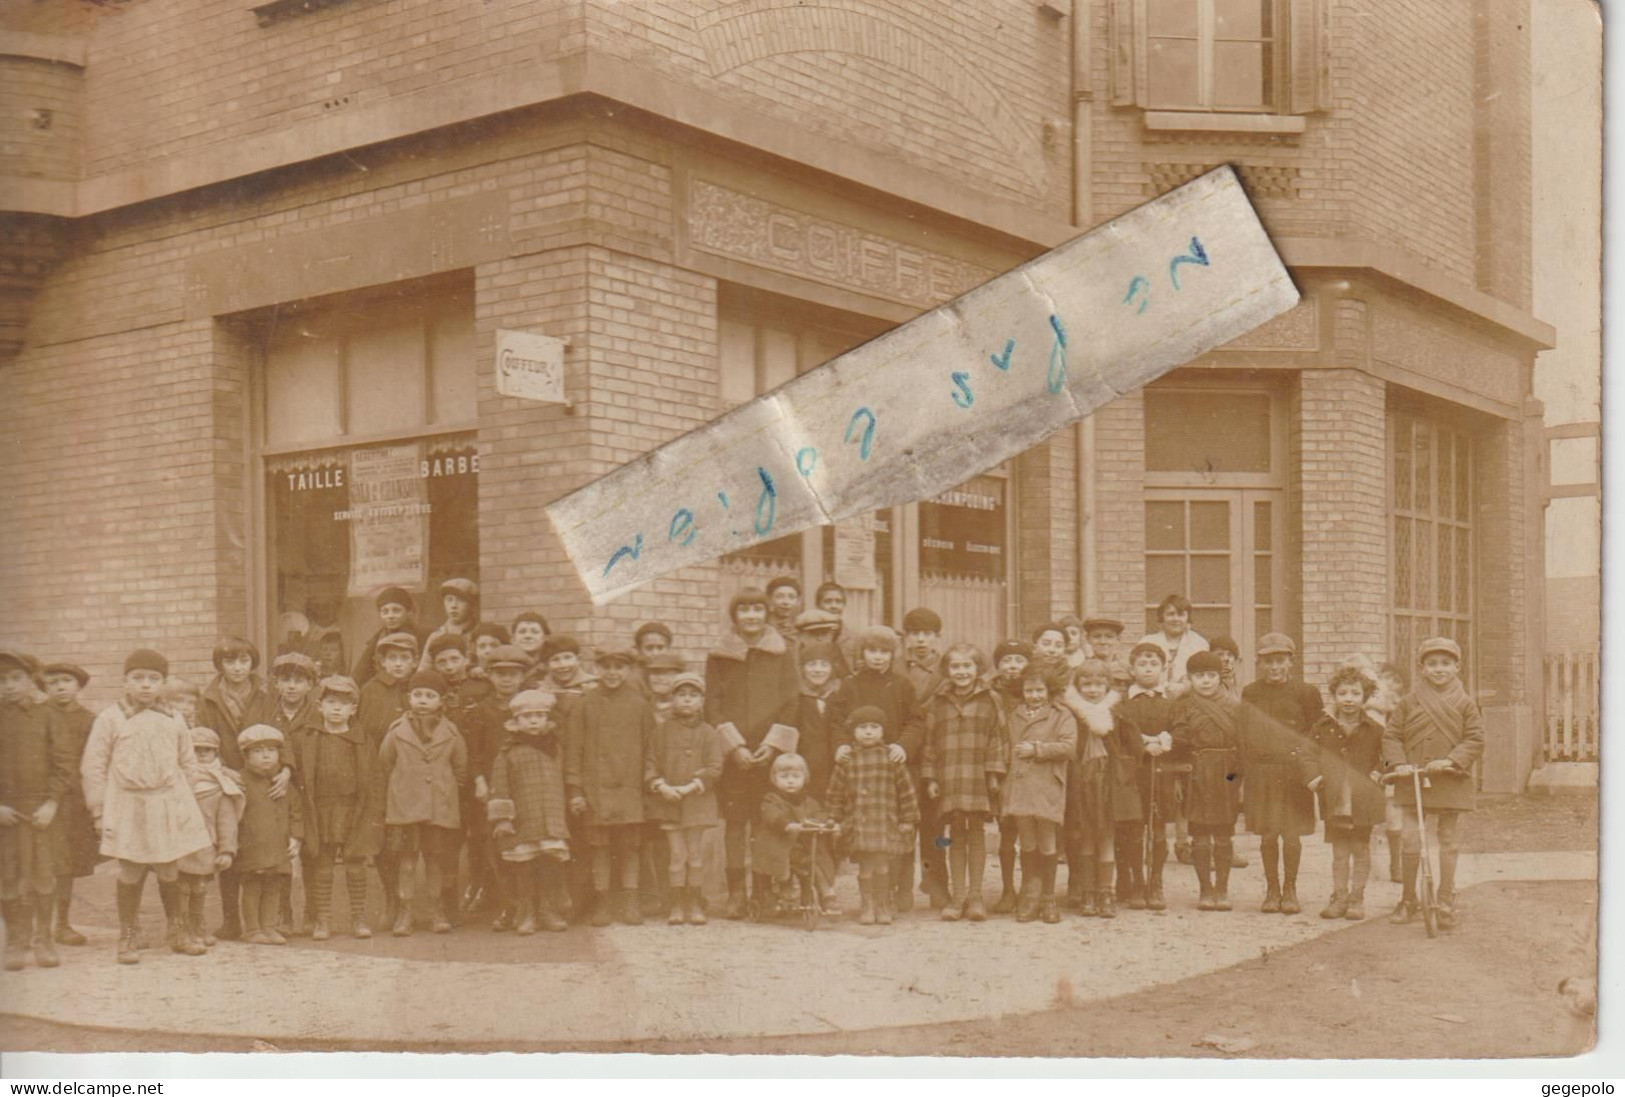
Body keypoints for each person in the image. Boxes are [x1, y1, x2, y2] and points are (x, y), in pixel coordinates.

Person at [81, 650, 212, 965]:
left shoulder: (173, 717)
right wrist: (98, 810)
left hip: (166, 802)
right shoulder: (111, 718)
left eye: (153, 679)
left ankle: (177, 931)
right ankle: (128, 933)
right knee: (131, 867)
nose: (145, 685)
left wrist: (186, 799)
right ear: (125, 682)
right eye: (138, 678)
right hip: (128, 803)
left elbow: (187, 761)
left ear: (163, 684)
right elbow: (93, 766)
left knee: (169, 867)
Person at [705, 588, 800, 920]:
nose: (751, 616)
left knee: (764, 823)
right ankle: (735, 895)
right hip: (735, 755)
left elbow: (791, 699)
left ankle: (762, 892)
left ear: (767, 613)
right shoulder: (719, 655)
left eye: (757, 609)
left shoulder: (783, 652)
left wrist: (772, 746)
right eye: (743, 609)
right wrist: (734, 746)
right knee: (735, 823)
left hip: (767, 754)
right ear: (734, 615)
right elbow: (712, 704)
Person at [1382, 637, 1485, 930]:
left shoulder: (1465, 703)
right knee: (1411, 839)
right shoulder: (1408, 702)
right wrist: (1398, 763)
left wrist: (1452, 760)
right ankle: (1408, 899)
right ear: (1422, 669)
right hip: (1413, 776)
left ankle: (1446, 899)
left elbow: (1475, 738)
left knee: (1449, 839)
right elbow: (1391, 736)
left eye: (1445, 663)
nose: (1439, 669)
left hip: (1450, 777)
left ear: (1457, 667)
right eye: (1432, 664)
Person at [565, 645, 655, 927]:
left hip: (630, 788)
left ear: (628, 670)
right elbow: (574, 750)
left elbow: (651, 747)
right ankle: (602, 902)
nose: (612, 673)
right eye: (606, 667)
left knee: (630, 848)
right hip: (596, 789)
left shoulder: (639, 704)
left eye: (619, 667)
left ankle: (630, 900)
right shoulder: (585, 703)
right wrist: (576, 789)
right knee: (599, 848)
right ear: (596, 669)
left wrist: (648, 784)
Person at [836, 625, 923, 913]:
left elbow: (916, 721)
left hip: (891, 766)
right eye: (872, 651)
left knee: (897, 832)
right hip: (861, 768)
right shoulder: (849, 685)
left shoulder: (902, 684)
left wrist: (903, 746)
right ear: (862, 653)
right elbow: (836, 720)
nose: (878, 657)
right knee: (868, 841)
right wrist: (841, 745)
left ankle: (899, 892)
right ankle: (870, 901)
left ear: (892, 655)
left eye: (884, 652)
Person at [292, 676, 383, 940]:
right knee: (323, 864)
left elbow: (375, 780)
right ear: (319, 706)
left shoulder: (362, 740)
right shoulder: (308, 738)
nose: (336, 709)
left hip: (354, 810)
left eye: (343, 704)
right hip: (320, 810)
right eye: (330, 702)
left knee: (355, 864)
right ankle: (322, 919)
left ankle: (358, 917)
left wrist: (374, 814)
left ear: (353, 709)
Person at [378, 669, 467, 936]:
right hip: (406, 809)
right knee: (406, 861)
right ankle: (405, 911)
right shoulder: (396, 732)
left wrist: (445, 791)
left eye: (430, 696)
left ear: (441, 700)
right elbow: (385, 763)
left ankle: (436, 910)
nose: (423, 700)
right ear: (409, 698)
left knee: (434, 860)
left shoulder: (451, 732)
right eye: (417, 695)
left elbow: (460, 768)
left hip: (438, 808)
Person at [920, 644, 1005, 923]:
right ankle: (957, 897)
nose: (961, 672)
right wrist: (931, 777)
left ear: (978, 669)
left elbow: (997, 737)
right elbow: (929, 742)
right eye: (955, 667)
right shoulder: (938, 701)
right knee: (954, 836)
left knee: (976, 834)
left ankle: (976, 896)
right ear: (947, 670)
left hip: (978, 776)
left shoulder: (990, 699)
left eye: (967, 666)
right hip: (950, 776)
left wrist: (993, 774)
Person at [1238, 633, 1322, 915]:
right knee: (1268, 834)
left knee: (1292, 834)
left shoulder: (1306, 693)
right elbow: (1245, 731)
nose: (1274, 667)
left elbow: (1317, 732)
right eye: (1268, 662)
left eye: (1280, 661)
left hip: (1294, 771)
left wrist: (1307, 764)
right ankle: (1272, 889)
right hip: (1262, 771)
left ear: (1290, 662)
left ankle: (1290, 889)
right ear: (1259, 663)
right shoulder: (1250, 693)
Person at [0, 651, 73, 971]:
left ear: (32, 680)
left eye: (16, 679)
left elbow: (64, 764)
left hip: (42, 811)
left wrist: (52, 803)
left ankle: (44, 938)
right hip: (5, 813)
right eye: (2, 681)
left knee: (44, 875)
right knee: (8, 876)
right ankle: (16, 939)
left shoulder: (49, 715)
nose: (9, 686)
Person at [1299, 666, 1385, 921]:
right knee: (1339, 851)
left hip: (1363, 800)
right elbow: (1306, 754)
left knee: (1360, 848)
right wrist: (1314, 777)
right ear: (1334, 696)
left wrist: (1381, 771)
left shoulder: (1375, 729)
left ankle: (1357, 897)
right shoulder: (1322, 726)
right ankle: (1339, 896)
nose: (1348, 699)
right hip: (1335, 797)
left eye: (1355, 693)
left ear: (1364, 697)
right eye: (1342, 693)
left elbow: (1389, 757)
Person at [825, 706, 920, 927]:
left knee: (882, 863)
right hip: (859, 823)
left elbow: (906, 791)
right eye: (863, 728)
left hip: (884, 821)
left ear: (882, 731)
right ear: (854, 732)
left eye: (874, 727)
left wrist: (907, 819)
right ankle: (867, 904)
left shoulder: (891, 758)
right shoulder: (847, 760)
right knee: (866, 864)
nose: (868, 732)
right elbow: (835, 794)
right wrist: (833, 819)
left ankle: (882, 903)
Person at [488, 690, 571, 934]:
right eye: (527, 717)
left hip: (551, 818)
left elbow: (563, 780)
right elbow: (500, 786)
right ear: (516, 721)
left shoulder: (555, 748)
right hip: (524, 820)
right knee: (523, 868)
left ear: (547, 719)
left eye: (539, 716)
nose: (534, 721)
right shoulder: (509, 751)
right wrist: (502, 818)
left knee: (549, 865)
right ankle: (526, 911)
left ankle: (548, 910)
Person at [462, 644, 533, 929]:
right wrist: (479, 781)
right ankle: (508, 907)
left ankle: (528, 907)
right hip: (493, 791)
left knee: (526, 850)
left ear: (522, 676)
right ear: (490, 675)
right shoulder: (482, 710)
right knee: (498, 852)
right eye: (500, 674)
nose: (507, 680)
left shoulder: (531, 709)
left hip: (526, 789)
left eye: (513, 674)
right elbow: (474, 752)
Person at [645, 671, 721, 926]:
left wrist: (690, 787)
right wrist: (661, 785)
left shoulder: (709, 732)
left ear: (701, 701)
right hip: (669, 802)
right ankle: (676, 903)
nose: (687, 701)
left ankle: (694, 901)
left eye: (693, 696)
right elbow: (650, 763)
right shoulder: (662, 731)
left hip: (697, 802)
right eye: (681, 695)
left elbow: (714, 767)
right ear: (673, 699)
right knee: (677, 855)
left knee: (695, 853)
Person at [1002, 671, 1076, 924]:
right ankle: (1030, 896)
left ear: (1049, 691)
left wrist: (1037, 749)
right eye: (1029, 691)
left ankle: (1048, 897)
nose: (1034, 696)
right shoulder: (1013, 715)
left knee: (1047, 840)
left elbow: (1069, 747)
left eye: (1039, 691)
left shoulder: (1061, 714)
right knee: (1027, 840)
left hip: (1047, 783)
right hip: (1020, 784)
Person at [1172, 652, 1242, 912]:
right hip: (1196, 772)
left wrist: (1239, 781)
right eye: (1199, 676)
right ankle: (1205, 889)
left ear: (1219, 677)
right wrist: (1179, 777)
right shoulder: (1183, 706)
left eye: (1211, 676)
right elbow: (1178, 744)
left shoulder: (1234, 706)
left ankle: (1222, 889)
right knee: (1200, 834)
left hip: (1227, 771)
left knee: (1224, 834)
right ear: (1190, 679)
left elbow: (1242, 744)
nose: (1206, 681)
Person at [356, 630, 415, 931]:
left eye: (404, 658)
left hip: (412, 780)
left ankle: (406, 906)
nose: (398, 664)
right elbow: (363, 733)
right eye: (392, 658)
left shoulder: (419, 688)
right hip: (379, 777)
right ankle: (391, 899)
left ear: (413, 661)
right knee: (382, 844)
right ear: (381, 660)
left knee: (407, 844)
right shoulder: (370, 691)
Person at [39, 662, 98, 947]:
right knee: (38, 863)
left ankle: (61, 924)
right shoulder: (35, 717)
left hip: (75, 803)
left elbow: (95, 760)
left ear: (78, 686)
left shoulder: (88, 720)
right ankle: (36, 928)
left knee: (65, 865)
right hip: (42, 801)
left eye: (67, 681)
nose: (61, 687)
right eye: (53, 682)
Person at [1115, 641, 1175, 911]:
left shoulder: (1171, 703)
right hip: (1132, 775)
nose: (1148, 669)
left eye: (1154, 664)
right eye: (1142, 664)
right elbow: (1119, 734)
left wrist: (1165, 739)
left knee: (1159, 830)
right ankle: (1136, 881)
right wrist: (1142, 743)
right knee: (1132, 831)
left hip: (1162, 774)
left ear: (1164, 668)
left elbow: (1181, 729)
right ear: (1132, 669)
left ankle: (1156, 882)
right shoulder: (1124, 703)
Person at [1059, 659, 1119, 918]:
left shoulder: (1116, 711)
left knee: (1106, 836)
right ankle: (1087, 891)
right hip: (1080, 782)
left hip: (1108, 783)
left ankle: (1106, 891)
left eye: (1099, 684)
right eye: (1087, 684)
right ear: (1077, 686)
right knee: (1084, 836)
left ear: (1108, 686)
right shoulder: (1071, 713)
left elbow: (1129, 746)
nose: (1093, 690)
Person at [899, 606, 950, 909]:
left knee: (936, 828)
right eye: (915, 634)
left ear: (937, 638)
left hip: (936, 757)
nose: (920, 640)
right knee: (903, 824)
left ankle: (937, 884)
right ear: (906, 637)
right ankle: (901, 887)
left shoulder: (948, 669)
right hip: (904, 757)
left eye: (927, 634)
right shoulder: (895, 668)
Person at [234, 725, 303, 945]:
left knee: (274, 887)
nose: (266, 755)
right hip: (252, 846)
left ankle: (270, 927)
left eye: (271, 750)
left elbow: (296, 813)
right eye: (258, 751)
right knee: (253, 887)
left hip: (278, 847)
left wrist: (296, 838)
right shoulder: (240, 782)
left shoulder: (284, 783)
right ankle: (253, 929)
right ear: (246, 755)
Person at [174, 727, 242, 951]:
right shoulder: (177, 780)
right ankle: (182, 929)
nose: (202, 754)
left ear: (216, 754)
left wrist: (226, 850)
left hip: (206, 845)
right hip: (181, 843)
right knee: (181, 887)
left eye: (207, 750)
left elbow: (227, 821)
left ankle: (198, 924)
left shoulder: (221, 783)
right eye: (196, 750)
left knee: (200, 886)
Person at [754, 753, 836, 918]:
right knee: (786, 861)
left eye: (795, 776)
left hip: (805, 845)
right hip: (781, 844)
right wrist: (786, 824)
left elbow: (818, 812)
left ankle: (828, 894)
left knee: (818, 862)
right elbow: (771, 815)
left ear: (804, 778)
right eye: (784, 777)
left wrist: (825, 822)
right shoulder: (772, 799)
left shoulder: (809, 801)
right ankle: (786, 887)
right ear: (774, 779)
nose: (790, 781)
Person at [770, 639, 847, 810]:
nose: (818, 670)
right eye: (812, 664)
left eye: (823, 664)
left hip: (833, 766)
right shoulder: (796, 697)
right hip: (803, 767)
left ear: (832, 668)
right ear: (803, 668)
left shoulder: (838, 695)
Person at [198, 637, 271, 772]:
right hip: (223, 772)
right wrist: (223, 770)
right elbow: (202, 742)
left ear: (252, 663)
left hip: (262, 771)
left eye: (244, 661)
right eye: (230, 662)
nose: (237, 668)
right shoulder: (208, 700)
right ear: (220, 665)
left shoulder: (266, 696)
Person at [1139, 595, 1210, 697]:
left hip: (1189, 701)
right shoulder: (1147, 642)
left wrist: (1185, 688)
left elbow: (1205, 678)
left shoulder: (1199, 644)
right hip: (1152, 699)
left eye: (1181, 615)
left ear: (1187, 618)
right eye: (1170, 614)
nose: (1176, 619)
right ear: (1162, 616)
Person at [352, 587, 424, 686]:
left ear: (408, 612)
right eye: (385, 612)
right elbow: (359, 673)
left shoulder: (421, 636)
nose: (390, 616)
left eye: (396, 610)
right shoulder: (378, 638)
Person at [419, 578, 481, 672]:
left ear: (472, 605)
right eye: (449, 600)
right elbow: (423, 673)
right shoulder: (436, 637)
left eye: (460, 600)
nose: (453, 605)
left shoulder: (480, 634)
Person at [765, 575, 803, 640]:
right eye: (779, 596)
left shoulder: (802, 627)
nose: (786, 602)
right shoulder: (763, 626)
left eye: (791, 597)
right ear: (770, 599)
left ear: (798, 601)